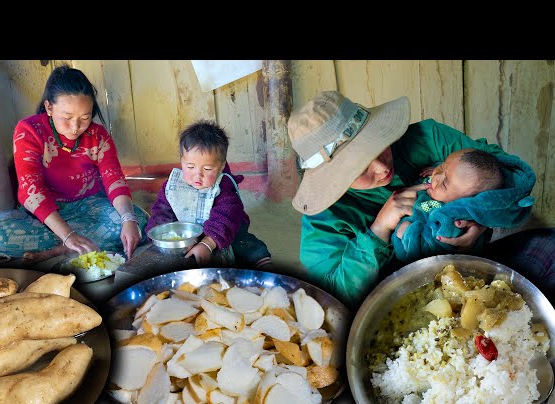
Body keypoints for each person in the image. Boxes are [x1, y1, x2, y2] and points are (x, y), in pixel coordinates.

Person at [287, 90, 555, 310]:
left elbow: (503, 174)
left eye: (379, 146)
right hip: (402, 302)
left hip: (475, 263)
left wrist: (480, 218)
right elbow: (331, 297)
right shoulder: (324, 219)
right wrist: (379, 229)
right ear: (332, 179)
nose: (382, 168)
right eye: (360, 168)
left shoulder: (427, 138)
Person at [0, 65, 148, 262]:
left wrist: (128, 219)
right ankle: (71, 242)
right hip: (42, 216)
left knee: (140, 220)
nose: (76, 127)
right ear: (49, 107)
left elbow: (115, 180)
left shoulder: (98, 136)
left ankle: (60, 249)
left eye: (84, 118)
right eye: (67, 118)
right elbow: (30, 191)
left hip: (89, 207)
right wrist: (67, 233)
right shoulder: (29, 130)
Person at [145, 120, 272, 269]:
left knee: (242, 243)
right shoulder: (172, 186)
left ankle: (261, 260)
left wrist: (207, 243)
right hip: (189, 234)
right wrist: (160, 237)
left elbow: (225, 217)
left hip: (224, 227)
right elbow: (161, 210)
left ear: (221, 166)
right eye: (190, 167)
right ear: (182, 161)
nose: (197, 175)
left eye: (207, 169)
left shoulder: (223, 186)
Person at [392, 147, 536, 263]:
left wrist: (408, 232)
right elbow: (454, 171)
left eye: (445, 183)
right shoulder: (448, 183)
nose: (435, 177)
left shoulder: (452, 223)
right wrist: (441, 171)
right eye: (442, 166)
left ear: (464, 201)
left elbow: (425, 253)